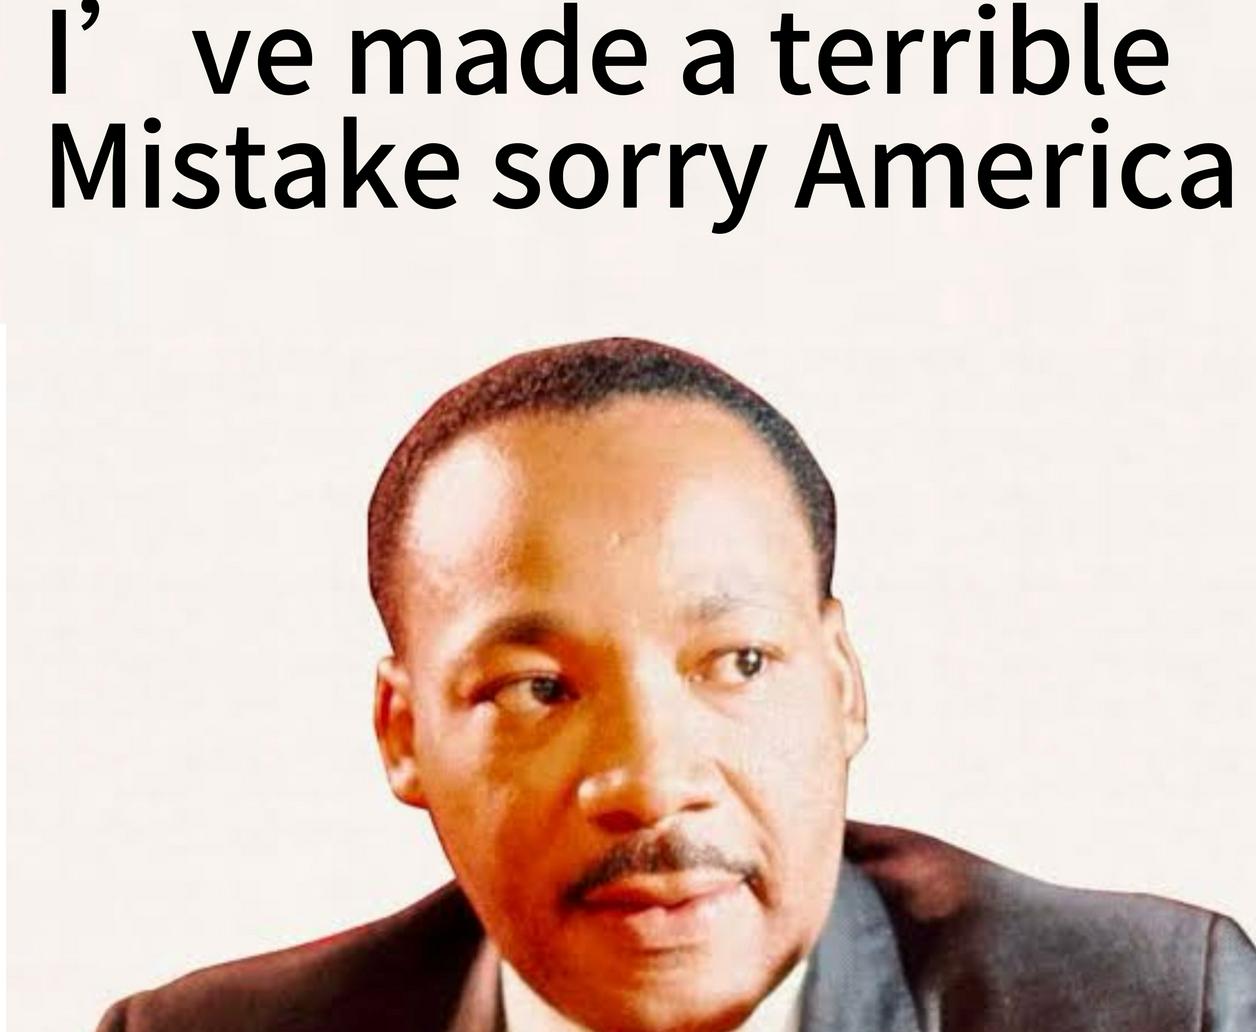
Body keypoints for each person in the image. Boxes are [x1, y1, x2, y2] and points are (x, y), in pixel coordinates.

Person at [99, 338, 1255, 1032]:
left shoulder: (1155, 1008)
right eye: (537, 689)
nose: (651, 784)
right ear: (401, 733)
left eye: (737, 663)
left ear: (842, 687)